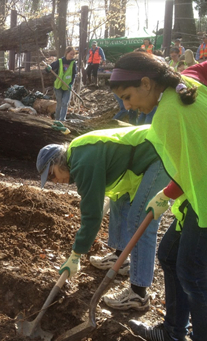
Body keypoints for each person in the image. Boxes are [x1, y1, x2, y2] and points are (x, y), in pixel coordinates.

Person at [110, 52, 207, 341]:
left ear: (146, 83)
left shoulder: (166, 120)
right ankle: (173, 335)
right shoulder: (189, 77)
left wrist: (165, 194)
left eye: (128, 97)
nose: (127, 106)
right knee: (169, 254)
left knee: (192, 270)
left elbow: (184, 175)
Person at [37, 125, 170, 311]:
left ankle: (138, 294)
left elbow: (92, 214)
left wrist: (76, 254)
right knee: (119, 199)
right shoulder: (78, 154)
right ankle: (120, 258)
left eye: (52, 175)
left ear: (58, 161)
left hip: (160, 153)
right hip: (138, 159)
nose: (55, 181)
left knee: (140, 220)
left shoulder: (83, 163)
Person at [46, 46, 77, 122]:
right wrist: (48, 68)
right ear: (66, 53)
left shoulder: (73, 63)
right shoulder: (60, 61)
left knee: (65, 103)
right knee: (59, 103)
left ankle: (62, 120)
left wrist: (71, 84)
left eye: (73, 54)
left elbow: (73, 75)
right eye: (71, 54)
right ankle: (57, 119)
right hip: (58, 86)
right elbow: (49, 68)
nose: (72, 56)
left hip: (67, 87)